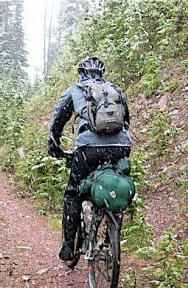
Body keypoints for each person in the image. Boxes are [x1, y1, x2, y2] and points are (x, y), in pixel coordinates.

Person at [48, 56, 132, 262]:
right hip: (121, 146)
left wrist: (54, 144)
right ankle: (109, 239)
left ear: (81, 73)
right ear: (101, 74)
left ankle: (68, 249)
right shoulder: (114, 90)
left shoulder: (76, 90)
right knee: (117, 183)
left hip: (88, 149)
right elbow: (126, 121)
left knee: (73, 194)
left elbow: (58, 120)